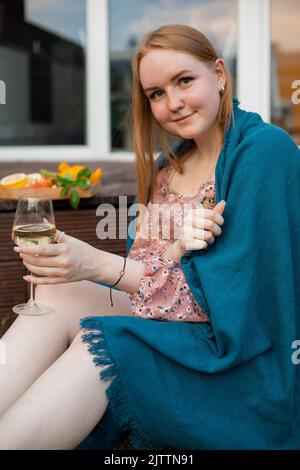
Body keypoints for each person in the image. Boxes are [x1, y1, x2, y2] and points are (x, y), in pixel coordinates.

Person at [0, 24, 299, 450]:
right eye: (156, 94)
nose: (172, 103)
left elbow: (232, 306)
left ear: (218, 73)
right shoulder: (167, 165)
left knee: (101, 343)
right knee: (54, 292)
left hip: (237, 357)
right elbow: (154, 279)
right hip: (176, 324)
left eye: (184, 81)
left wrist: (97, 263)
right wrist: (169, 249)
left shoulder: (264, 151)